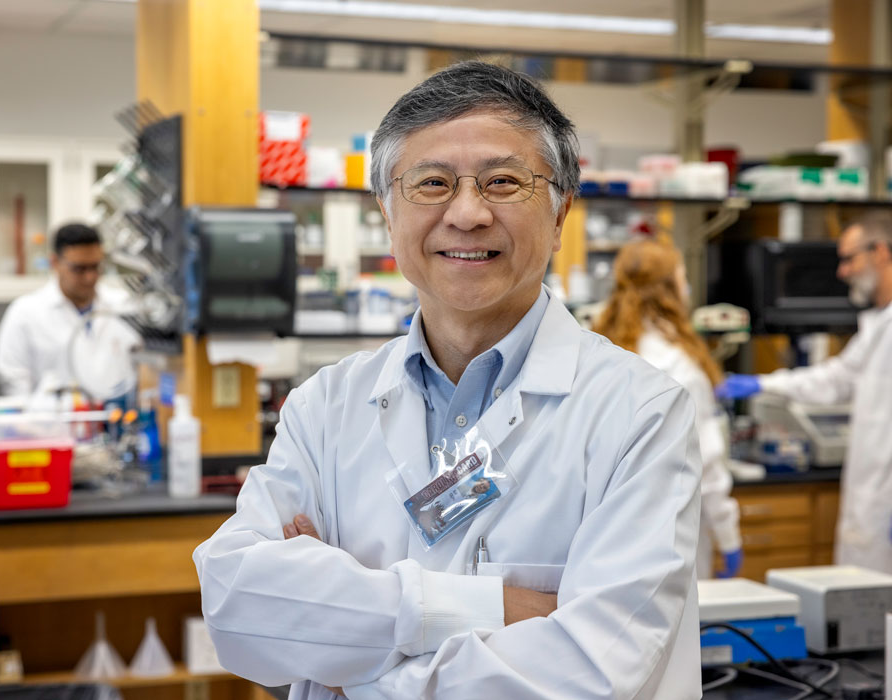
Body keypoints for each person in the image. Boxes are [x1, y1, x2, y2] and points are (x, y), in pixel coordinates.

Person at [194, 61, 702, 699]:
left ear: (560, 209)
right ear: (386, 210)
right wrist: (497, 607)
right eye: (432, 182)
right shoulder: (324, 406)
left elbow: (591, 674)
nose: (467, 212)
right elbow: (240, 608)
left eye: (503, 182)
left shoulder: (638, 413)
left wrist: (342, 645)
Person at [717, 214, 892, 571]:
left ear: (881, 252)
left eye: (849, 258)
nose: (842, 272)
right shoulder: (878, 326)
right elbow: (836, 379)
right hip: (871, 500)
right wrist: (762, 383)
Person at [593, 239, 742, 580]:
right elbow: (707, 464)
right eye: (682, 277)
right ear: (669, 289)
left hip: (605, 537)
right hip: (671, 540)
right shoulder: (680, 367)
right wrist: (728, 536)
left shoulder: (600, 351)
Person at [0, 222, 141, 402]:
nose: (90, 277)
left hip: (114, 420)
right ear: (55, 262)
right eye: (79, 269)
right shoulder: (25, 313)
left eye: (95, 267)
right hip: (49, 426)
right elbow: (14, 383)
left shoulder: (124, 306)